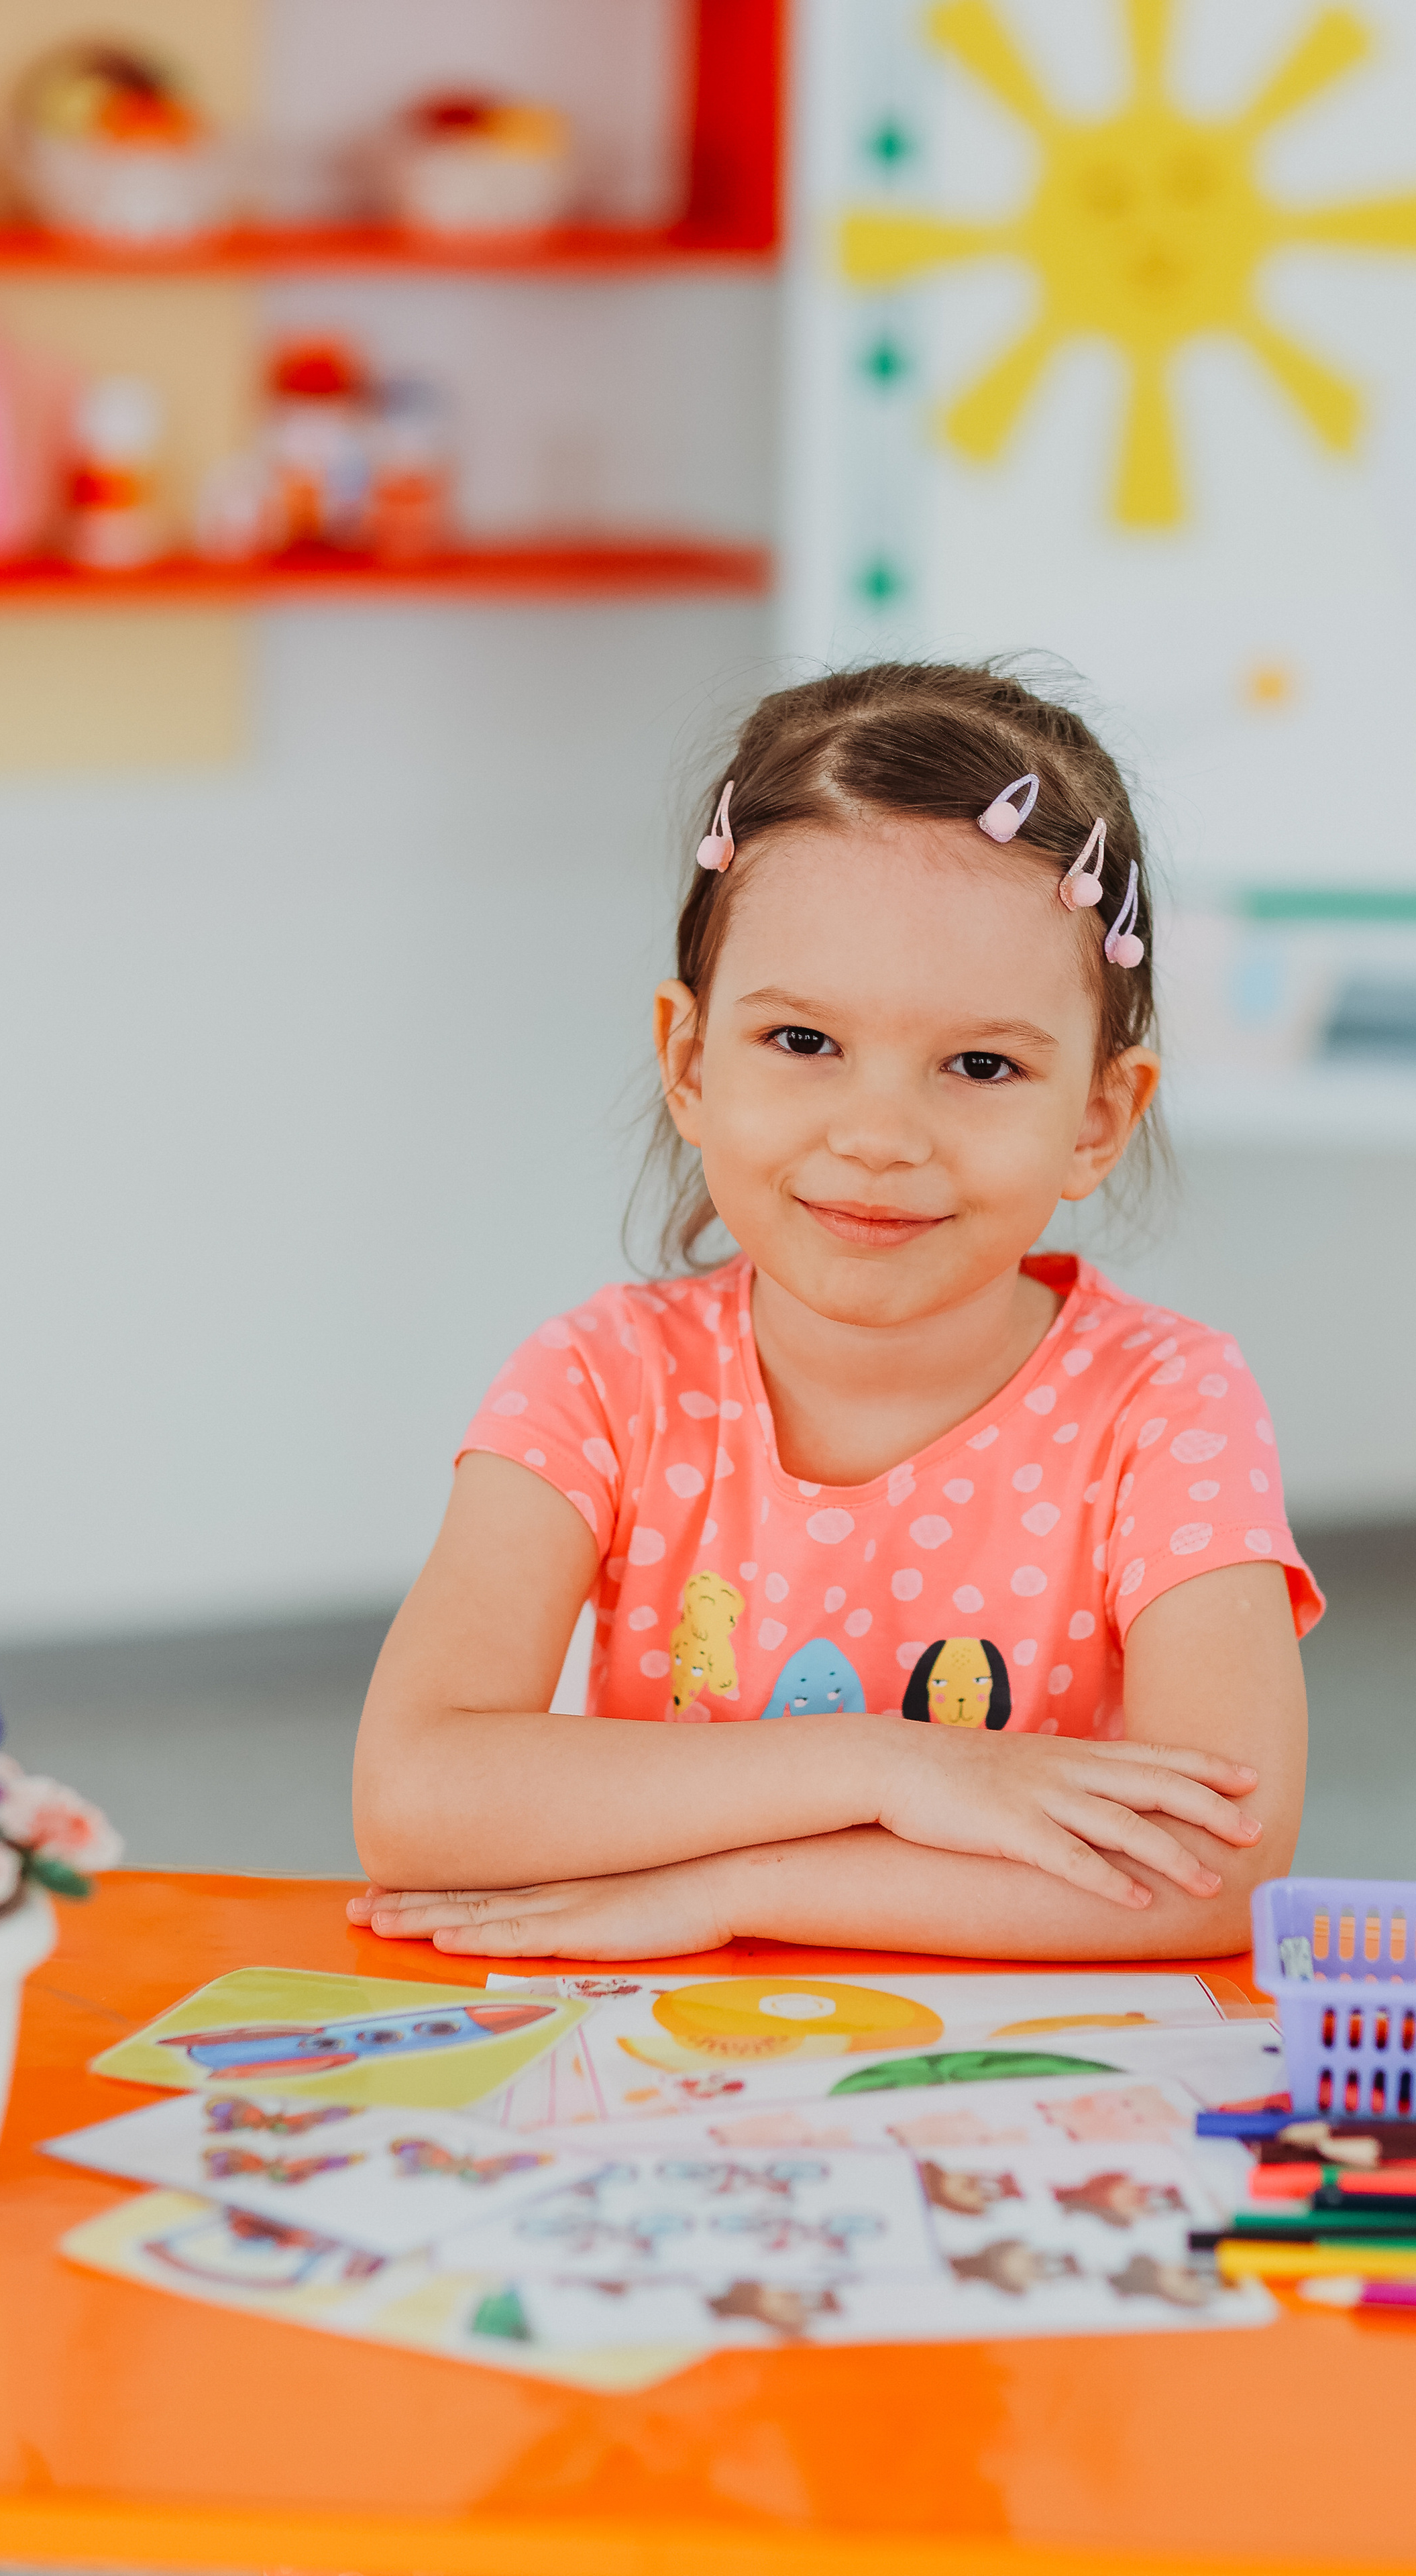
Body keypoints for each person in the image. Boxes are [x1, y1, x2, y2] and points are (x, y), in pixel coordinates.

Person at [349, 663, 1317, 1962]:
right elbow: (415, 1799)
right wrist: (885, 1771)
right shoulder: (598, 1380)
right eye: (802, 1043)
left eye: (979, 1065)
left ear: (1096, 1115)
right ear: (690, 1062)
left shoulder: (1165, 1405)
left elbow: (1214, 1866)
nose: (876, 1138)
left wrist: (726, 1892)